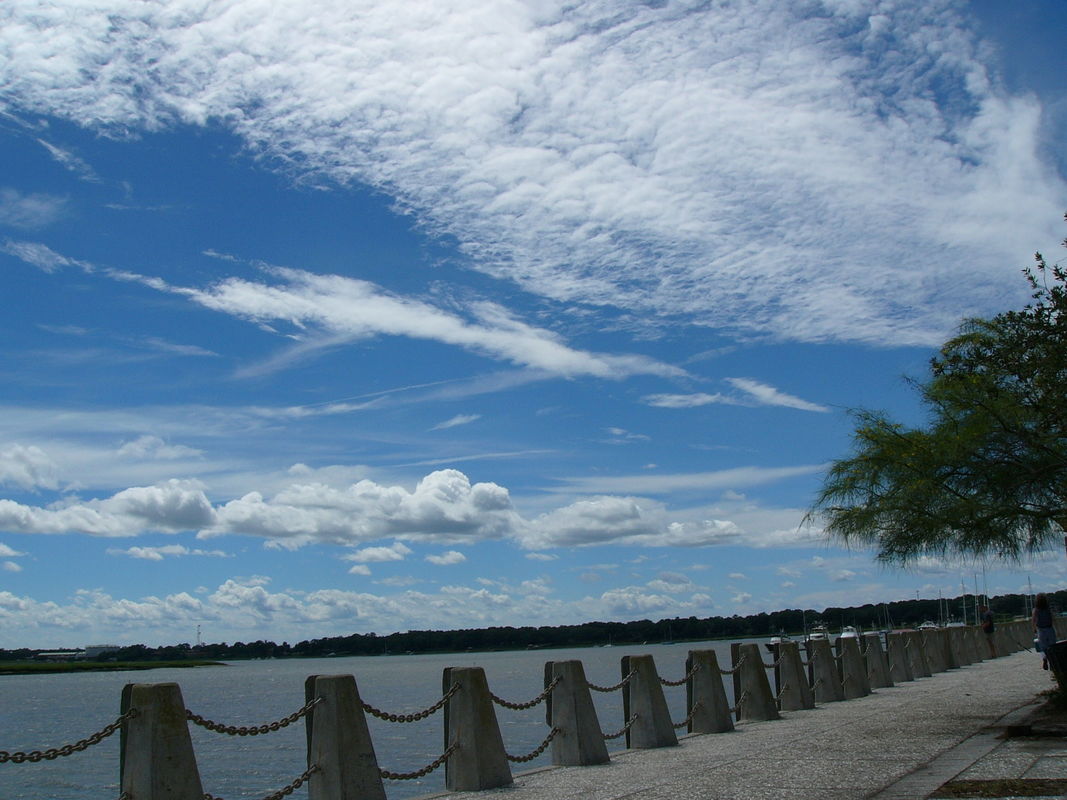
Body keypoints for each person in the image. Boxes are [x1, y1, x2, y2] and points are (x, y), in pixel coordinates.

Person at [1032, 593, 1057, 670]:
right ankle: (1053, 663)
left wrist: (1034, 629)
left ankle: (1045, 659)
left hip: (1041, 629)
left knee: (1043, 647)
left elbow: (1033, 620)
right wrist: (1057, 629)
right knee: (1052, 646)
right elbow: (1053, 618)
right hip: (1049, 628)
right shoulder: (1048, 609)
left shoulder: (1036, 610)